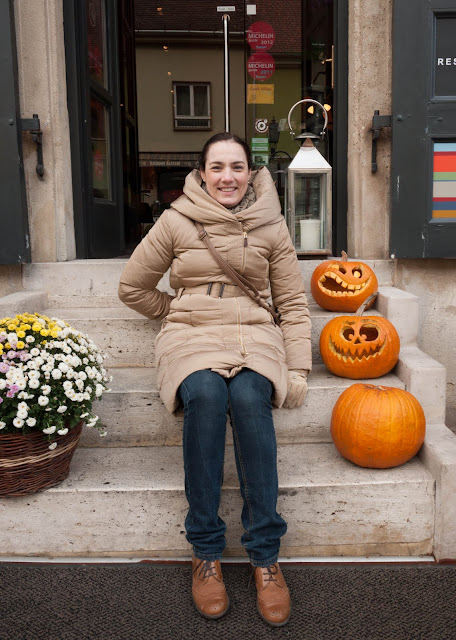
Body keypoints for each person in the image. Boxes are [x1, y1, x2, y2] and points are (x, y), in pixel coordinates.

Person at [118, 132, 311, 626]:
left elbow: (290, 304)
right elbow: (132, 287)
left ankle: (265, 555)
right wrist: (176, 310)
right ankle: (205, 551)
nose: (228, 177)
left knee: (249, 398)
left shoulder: (271, 225)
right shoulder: (177, 220)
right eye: (218, 167)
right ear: (202, 173)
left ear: (252, 173)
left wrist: (298, 366)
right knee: (204, 394)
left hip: (253, 334)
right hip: (191, 336)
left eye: (238, 167)